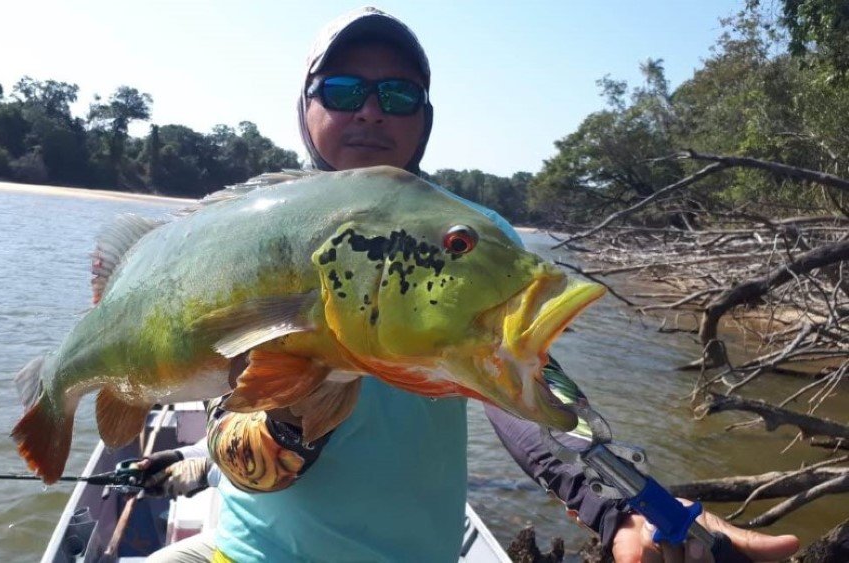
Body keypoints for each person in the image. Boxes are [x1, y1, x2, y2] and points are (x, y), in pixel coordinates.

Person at [140, 7, 801, 563]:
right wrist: (296, 415)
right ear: (305, 108)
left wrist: (624, 506)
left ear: (424, 118)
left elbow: (521, 388)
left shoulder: (466, 237)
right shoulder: (250, 237)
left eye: (397, 95)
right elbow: (233, 439)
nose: (371, 111)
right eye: (344, 91)